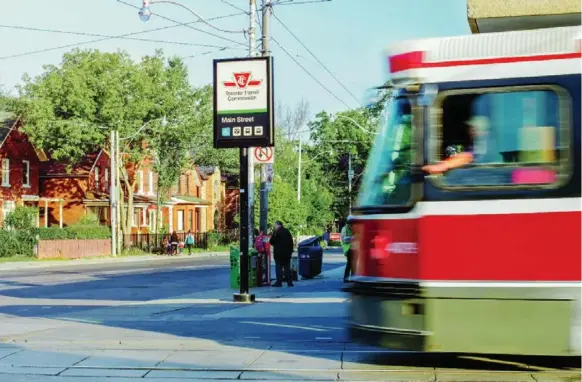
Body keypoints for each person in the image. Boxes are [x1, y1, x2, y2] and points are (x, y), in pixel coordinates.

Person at [422, 116, 490, 175]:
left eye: (474, 129)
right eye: (471, 128)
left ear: (484, 131)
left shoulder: (485, 144)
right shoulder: (475, 143)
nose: (470, 131)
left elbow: (469, 156)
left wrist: (443, 165)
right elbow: (466, 151)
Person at [269, 221, 294, 287]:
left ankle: (279, 282)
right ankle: (289, 282)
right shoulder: (287, 231)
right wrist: (290, 252)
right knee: (287, 268)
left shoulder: (276, 232)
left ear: (277, 225)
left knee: (278, 268)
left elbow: (271, 241)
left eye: (275, 225)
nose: (275, 227)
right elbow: (291, 242)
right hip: (287, 253)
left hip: (279, 253)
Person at [340, 218, 354, 283]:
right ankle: (346, 278)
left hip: (355, 248)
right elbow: (343, 239)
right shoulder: (344, 229)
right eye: (351, 224)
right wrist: (352, 238)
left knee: (354, 264)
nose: (352, 225)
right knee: (350, 264)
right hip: (348, 248)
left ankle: (353, 277)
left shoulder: (355, 227)